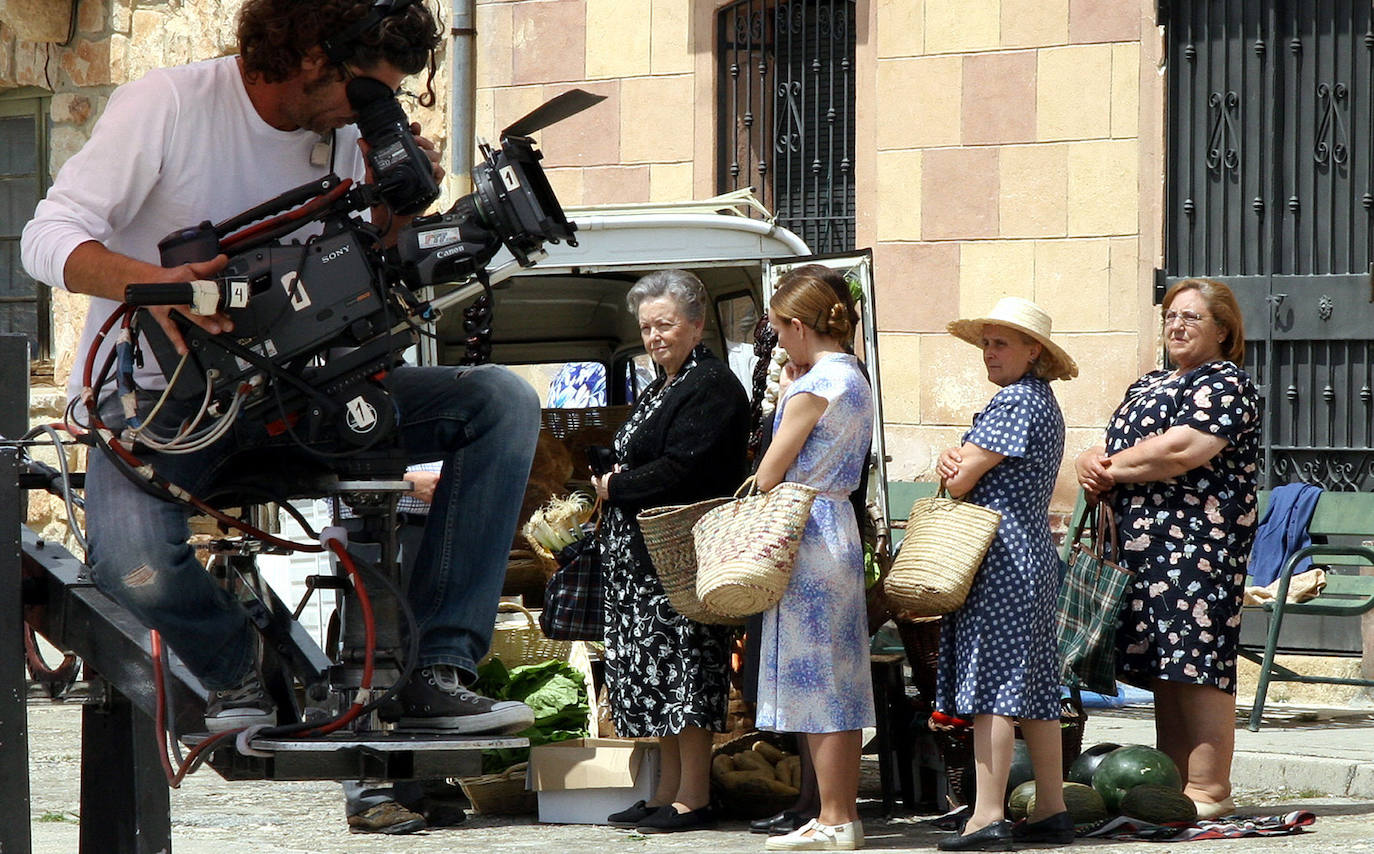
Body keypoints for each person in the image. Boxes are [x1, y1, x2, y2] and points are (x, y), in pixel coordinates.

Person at [21, 0, 538, 768]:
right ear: (311, 58)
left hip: (303, 399)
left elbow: (367, 267)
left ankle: (439, 668)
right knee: (133, 567)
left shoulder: (345, 143)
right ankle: (240, 668)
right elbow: (45, 238)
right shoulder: (168, 106)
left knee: (501, 402)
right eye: (367, 90)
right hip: (165, 407)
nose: (373, 112)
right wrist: (156, 287)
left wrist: (400, 203)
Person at [1075, 278, 1259, 820]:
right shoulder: (1148, 382)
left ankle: (1210, 790)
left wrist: (1107, 468)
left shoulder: (1228, 385)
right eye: (1171, 316)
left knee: (1197, 659)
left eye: (1192, 318)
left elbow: (1181, 450)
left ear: (1223, 330)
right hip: (1142, 545)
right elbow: (1115, 441)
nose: (1177, 326)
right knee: (1164, 661)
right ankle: (1174, 788)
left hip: (1200, 544)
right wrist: (1091, 457)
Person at [591, 269, 749, 833]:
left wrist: (616, 485)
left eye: (665, 325)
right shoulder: (663, 382)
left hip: (680, 555)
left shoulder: (712, 384)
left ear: (696, 324)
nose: (655, 337)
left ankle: (694, 796)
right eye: (646, 328)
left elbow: (683, 467)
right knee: (652, 677)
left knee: (686, 672)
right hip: (640, 559)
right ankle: (664, 792)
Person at [931, 297, 1077, 851]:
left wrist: (956, 459)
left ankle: (987, 814)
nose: (989, 353)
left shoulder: (1016, 401)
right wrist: (960, 458)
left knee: (995, 685)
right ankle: (1051, 807)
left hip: (1001, 557)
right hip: (1030, 552)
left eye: (1001, 343)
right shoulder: (1041, 399)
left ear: (1033, 350)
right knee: (1036, 684)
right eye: (986, 343)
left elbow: (962, 479)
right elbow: (966, 467)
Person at [743, 265, 868, 838]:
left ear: (797, 326)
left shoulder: (813, 385)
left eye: (777, 328)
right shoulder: (854, 377)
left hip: (805, 529)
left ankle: (833, 817)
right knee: (838, 678)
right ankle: (839, 815)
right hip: (838, 525)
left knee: (815, 680)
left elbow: (769, 473)